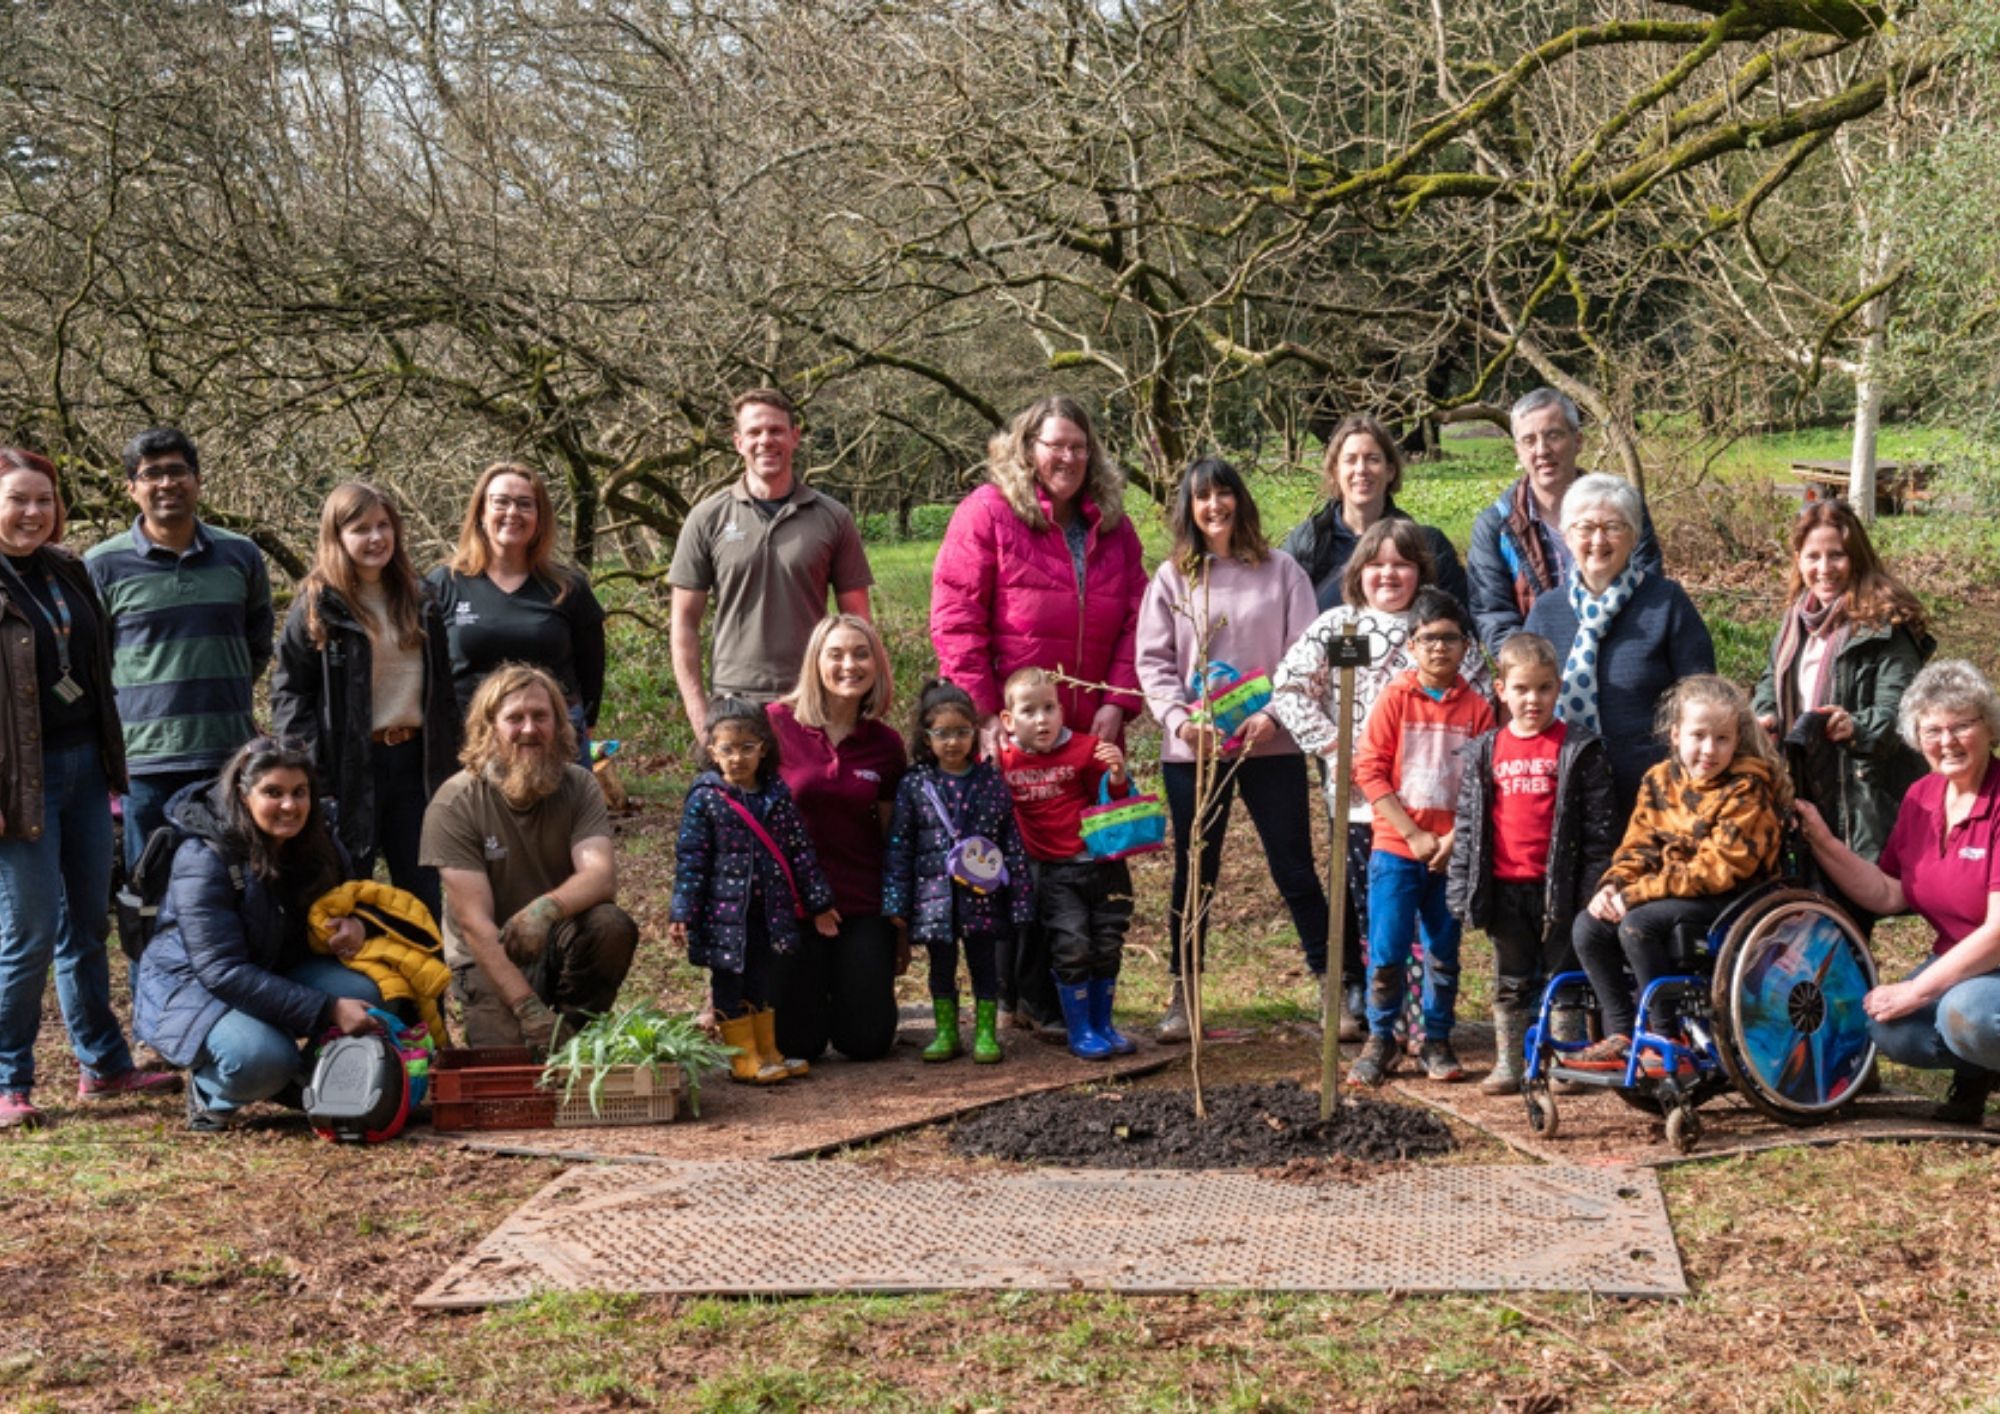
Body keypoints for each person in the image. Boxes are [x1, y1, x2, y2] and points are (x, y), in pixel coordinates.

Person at [931, 394, 1146, 1031]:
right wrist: (986, 715)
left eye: (1079, 446)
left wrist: (1117, 703)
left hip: (1085, 728)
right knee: (1017, 862)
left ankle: (1071, 995)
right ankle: (1019, 999)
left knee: (1087, 864)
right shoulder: (988, 513)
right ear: (1028, 449)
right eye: (1055, 445)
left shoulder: (1113, 525)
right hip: (1016, 724)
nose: (1068, 457)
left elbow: (1138, 622)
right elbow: (956, 617)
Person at [0, 449, 177, 1129]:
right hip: (21, 780)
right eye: (18, 499)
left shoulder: (66, 569)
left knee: (87, 926)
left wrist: (110, 765)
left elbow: (93, 670)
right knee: (30, 931)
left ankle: (103, 1065)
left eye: (43, 500)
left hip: (82, 767)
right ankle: (8, 1076)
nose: (32, 513)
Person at [1271, 519, 1493, 1040]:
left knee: (1433, 919)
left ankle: (1427, 1024)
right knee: (1379, 915)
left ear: (1420, 571)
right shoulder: (1338, 628)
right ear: (1358, 571)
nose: (1388, 575)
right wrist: (1336, 747)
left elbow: (1484, 703)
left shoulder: (1443, 630)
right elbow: (1288, 688)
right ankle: (1384, 1024)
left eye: (1401, 564)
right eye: (1376, 564)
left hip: (1436, 805)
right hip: (1362, 803)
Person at [1135, 457, 1328, 1042]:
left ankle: (1335, 986)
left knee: (1295, 868)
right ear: (1188, 510)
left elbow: (1306, 655)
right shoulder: (1172, 578)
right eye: (1202, 498)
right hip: (1195, 754)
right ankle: (1183, 996)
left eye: (1224, 494)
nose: (1214, 506)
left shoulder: (1283, 571)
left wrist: (1274, 715)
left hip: (1272, 746)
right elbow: (1153, 662)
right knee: (1196, 874)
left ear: (1241, 501)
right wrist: (1179, 719)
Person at [131, 739, 386, 1131]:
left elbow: (353, 897)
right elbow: (220, 971)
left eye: (299, 793)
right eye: (273, 792)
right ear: (242, 794)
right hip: (194, 987)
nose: (290, 805)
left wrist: (357, 924)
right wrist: (327, 1009)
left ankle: (312, 1079)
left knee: (369, 993)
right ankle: (212, 1091)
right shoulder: (204, 856)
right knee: (263, 1058)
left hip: (273, 968)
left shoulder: (319, 840)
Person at [1797, 660, 2000, 1124]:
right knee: (1892, 1030)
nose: (1946, 741)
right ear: (1916, 737)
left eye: (1962, 725)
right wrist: (1821, 840)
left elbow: (1998, 932)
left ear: (1988, 726)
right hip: (1966, 965)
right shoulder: (1922, 797)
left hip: (1990, 963)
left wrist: (1917, 989)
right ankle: (1977, 1075)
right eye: (1933, 730)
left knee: (1966, 1013)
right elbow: (1890, 893)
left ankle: (1980, 1064)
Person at [1570, 676, 1788, 1073]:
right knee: (1589, 926)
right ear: (1675, 735)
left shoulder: (1747, 787)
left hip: (1731, 898)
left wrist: (1636, 896)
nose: (1709, 749)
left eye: (1722, 739)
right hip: (1670, 893)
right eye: (1699, 736)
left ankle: (1668, 1034)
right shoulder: (1658, 780)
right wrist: (1613, 885)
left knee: (1639, 924)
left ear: (1736, 739)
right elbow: (1637, 846)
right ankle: (1621, 1033)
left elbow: (1717, 870)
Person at [418, 665, 637, 1049]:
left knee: (610, 925)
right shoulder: (454, 802)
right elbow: (474, 924)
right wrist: (527, 1008)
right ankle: (534, 1023)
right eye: (514, 718)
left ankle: (574, 1031)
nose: (529, 729)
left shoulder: (580, 784)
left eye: (541, 716)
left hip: (557, 939)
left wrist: (546, 909)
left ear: (558, 724)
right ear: (489, 728)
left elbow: (600, 876)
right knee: (509, 1070)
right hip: (487, 955)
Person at [86, 427, 274, 867]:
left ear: (197, 480)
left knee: (233, 882)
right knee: (148, 887)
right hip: (144, 762)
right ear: (132, 488)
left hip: (228, 755)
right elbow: (94, 663)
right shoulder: (101, 565)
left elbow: (257, 643)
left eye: (178, 471)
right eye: (152, 474)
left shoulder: (241, 555)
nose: (167, 483)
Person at [271, 483, 460, 920]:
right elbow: (290, 693)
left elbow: (444, 693)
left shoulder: (421, 598)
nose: (376, 538)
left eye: (383, 526)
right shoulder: (318, 606)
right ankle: (362, 989)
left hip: (416, 764)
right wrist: (313, 771)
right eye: (361, 529)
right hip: (349, 765)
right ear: (336, 537)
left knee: (422, 895)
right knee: (347, 890)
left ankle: (425, 988)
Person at [1446, 633, 1618, 1095]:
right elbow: (1469, 826)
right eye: (1521, 689)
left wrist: (1589, 889)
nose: (1532, 700)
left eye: (1543, 688)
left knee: (1563, 973)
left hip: (1557, 886)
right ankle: (1510, 1061)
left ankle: (1565, 1059)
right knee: (1512, 976)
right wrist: (1462, 886)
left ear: (1558, 688)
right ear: (1501, 689)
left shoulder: (1578, 749)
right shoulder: (1486, 751)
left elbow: (1599, 830)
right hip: (1504, 887)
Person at [1348, 588, 1495, 1087]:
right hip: (1396, 847)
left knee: (1443, 951)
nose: (1440, 648)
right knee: (1388, 951)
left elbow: (1482, 784)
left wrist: (1453, 841)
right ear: (1412, 644)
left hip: (1451, 852)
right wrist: (1411, 834)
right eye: (1429, 638)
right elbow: (1368, 771)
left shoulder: (1478, 709)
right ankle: (1381, 1037)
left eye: (1451, 639)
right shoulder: (1394, 699)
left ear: (1465, 647)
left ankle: (1437, 1038)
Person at [669, 389, 874, 734]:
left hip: (812, 698)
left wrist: (856, 699)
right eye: (754, 432)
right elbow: (683, 622)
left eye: (776, 430)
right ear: (738, 442)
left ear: (795, 437)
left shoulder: (833, 518)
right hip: (733, 702)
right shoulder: (707, 518)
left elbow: (858, 622)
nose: (766, 440)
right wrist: (699, 715)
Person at [1753, 499, 1932, 874]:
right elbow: (1773, 679)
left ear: (1856, 557)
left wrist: (1857, 726)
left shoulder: (1887, 626)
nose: (1824, 569)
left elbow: (1905, 714)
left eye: (1836, 556)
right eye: (1812, 556)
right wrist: (1764, 713)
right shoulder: (1795, 623)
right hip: (1800, 785)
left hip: (1859, 796)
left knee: (1850, 911)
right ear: (1798, 559)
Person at [1523, 472, 1715, 816]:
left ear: (1634, 537)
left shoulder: (1666, 603)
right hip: (1562, 789)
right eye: (1585, 528)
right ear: (1567, 536)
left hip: (1653, 792)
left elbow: (1703, 696)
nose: (1598, 540)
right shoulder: (1546, 612)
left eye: (1613, 526)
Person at [670, 698, 837, 1084]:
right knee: (729, 982)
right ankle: (741, 1056)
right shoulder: (706, 800)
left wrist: (820, 904)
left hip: (768, 912)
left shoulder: (777, 797)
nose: (737, 758)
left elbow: (800, 853)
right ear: (711, 750)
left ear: (763, 747)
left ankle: (766, 1048)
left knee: (762, 980)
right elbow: (691, 862)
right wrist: (682, 912)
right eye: (727, 749)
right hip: (723, 917)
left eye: (747, 747)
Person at [767, 614, 906, 1062]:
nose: (851, 665)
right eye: (837, 654)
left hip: (859, 903)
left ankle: (853, 986)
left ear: (876, 665)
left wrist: (897, 923)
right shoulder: (774, 725)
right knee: (797, 1045)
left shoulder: (884, 744)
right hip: (792, 907)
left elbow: (892, 837)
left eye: (861, 654)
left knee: (866, 1041)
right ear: (816, 662)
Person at [883, 680, 1032, 1064]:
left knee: (984, 965)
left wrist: (1019, 900)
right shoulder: (915, 785)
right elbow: (900, 847)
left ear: (974, 734)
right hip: (935, 901)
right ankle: (946, 1032)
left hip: (983, 897)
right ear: (926, 736)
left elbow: (1011, 845)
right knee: (941, 967)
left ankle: (985, 1034)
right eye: (942, 733)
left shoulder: (990, 783)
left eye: (962, 732)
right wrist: (897, 902)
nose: (953, 742)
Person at [996, 666, 1136, 1060]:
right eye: (1029, 711)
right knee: (1071, 947)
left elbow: (1113, 800)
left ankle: (1103, 1024)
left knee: (1108, 944)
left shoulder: (1085, 749)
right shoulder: (1002, 760)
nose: (1042, 719)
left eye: (1049, 708)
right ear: (1008, 720)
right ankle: (1080, 1029)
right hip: (1055, 873)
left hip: (1101, 864)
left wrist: (1117, 771)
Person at [428, 463, 606, 765]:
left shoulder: (568, 587)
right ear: (481, 512)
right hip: (468, 744)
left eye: (525, 504)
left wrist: (581, 724)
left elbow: (592, 671)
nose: (513, 513)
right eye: (501, 502)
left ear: (540, 518)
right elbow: (427, 671)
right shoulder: (444, 584)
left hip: (553, 744)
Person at [1467, 388, 1662, 656]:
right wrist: (1536, 669)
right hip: (1538, 681)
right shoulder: (1495, 526)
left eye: (1553, 435)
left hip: (1621, 658)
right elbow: (1493, 616)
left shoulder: (1624, 509)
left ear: (1578, 440)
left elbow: (1647, 590)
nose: (1542, 451)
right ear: (1518, 451)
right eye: (1529, 440)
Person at [1280, 413, 1466, 614]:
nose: (1361, 469)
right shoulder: (1305, 544)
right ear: (1335, 472)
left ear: (1390, 471)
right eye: (1350, 460)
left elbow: (1456, 623)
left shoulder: (1429, 545)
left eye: (1373, 459)